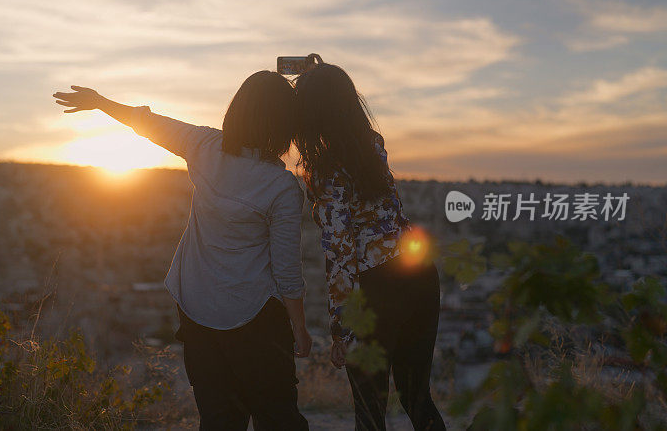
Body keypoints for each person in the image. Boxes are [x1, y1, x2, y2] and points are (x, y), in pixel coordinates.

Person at [53, 71, 310, 431]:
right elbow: (286, 271)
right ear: (285, 124)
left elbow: (147, 123)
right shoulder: (282, 187)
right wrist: (299, 328)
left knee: (219, 419)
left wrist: (100, 102)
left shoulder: (205, 145)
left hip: (197, 310)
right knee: (278, 418)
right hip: (254, 318)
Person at [293, 62, 446, 431]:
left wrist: (343, 331)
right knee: (416, 398)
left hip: (376, 290)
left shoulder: (325, 171)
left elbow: (340, 253)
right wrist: (322, 75)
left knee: (370, 411)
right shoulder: (373, 145)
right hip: (419, 274)